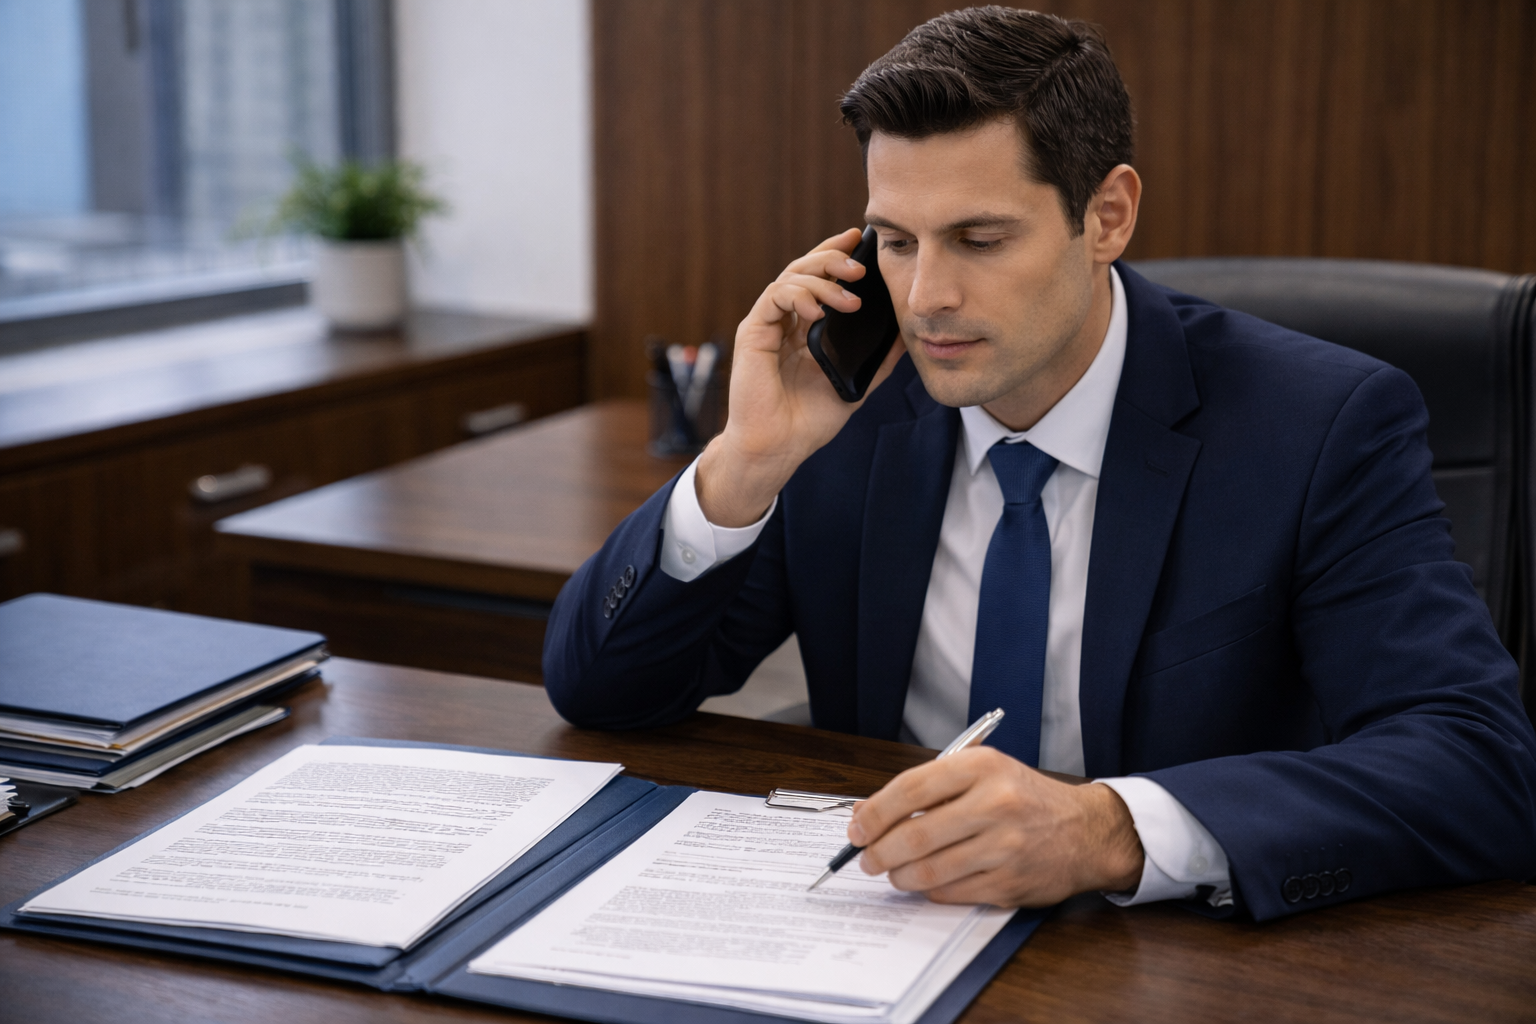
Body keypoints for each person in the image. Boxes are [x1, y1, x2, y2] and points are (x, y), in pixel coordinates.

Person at [543, 6, 1536, 920]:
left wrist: (1106, 830)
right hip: (886, 931)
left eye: (979, 238)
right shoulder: (843, 412)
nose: (926, 295)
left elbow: (1478, 767)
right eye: (894, 240)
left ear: (1106, 216)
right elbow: (600, 691)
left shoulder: (1319, 425)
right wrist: (743, 462)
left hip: (1175, 957)